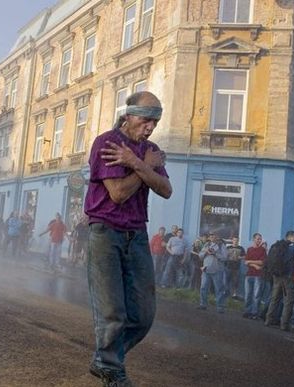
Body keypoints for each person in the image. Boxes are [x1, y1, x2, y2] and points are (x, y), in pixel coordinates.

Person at [84, 91, 172, 386]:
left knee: (144, 316)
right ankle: (112, 370)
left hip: (137, 234)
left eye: (155, 122)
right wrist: (144, 165)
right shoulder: (106, 143)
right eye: (146, 120)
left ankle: (106, 360)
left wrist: (136, 162)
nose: (150, 127)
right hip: (105, 231)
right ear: (128, 115)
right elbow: (118, 194)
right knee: (113, 312)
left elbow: (165, 189)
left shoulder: (150, 150)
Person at [264, 230, 294, 331]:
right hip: (288, 276)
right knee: (289, 300)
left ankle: (268, 320)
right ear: (291, 237)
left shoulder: (278, 245)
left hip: (277, 275)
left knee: (275, 298)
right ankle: (284, 324)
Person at [243, 233, 266, 319]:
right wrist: (255, 265)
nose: (259, 240)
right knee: (248, 294)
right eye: (258, 239)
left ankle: (254, 313)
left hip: (258, 275)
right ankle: (247, 311)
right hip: (249, 274)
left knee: (256, 295)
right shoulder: (249, 249)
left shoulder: (262, 250)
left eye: (260, 239)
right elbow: (245, 262)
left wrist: (250, 262)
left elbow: (262, 262)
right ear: (254, 239)